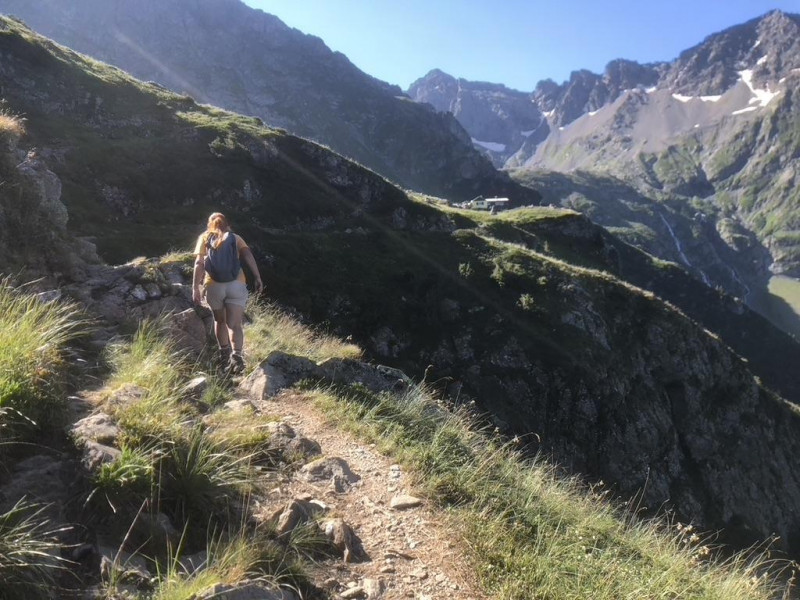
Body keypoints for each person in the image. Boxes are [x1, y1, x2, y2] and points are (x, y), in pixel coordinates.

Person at [192, 212, 263, 374]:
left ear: (209, 224)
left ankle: (224, 356)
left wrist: (195, 287)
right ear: (227, 224)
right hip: (236, 285)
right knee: (235, 325)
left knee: (220, 321)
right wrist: (257, 277)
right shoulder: (235, 238)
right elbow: (247, 255)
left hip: (213, 286)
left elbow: (199, 263)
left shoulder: (204, 237)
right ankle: (237, 359)